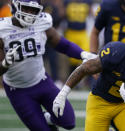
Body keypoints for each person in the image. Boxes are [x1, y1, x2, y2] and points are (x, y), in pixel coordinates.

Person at [53, 19, 125, 131]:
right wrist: (63, 94)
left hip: (124, 106)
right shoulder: (115, 52)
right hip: (100, 101)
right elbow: (84, 69)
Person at [0, 0, 96, 131]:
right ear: (16, 6)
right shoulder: (3, 29)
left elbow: (61, 44)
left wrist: (82, 54)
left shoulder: (41, 23)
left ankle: (46, 117)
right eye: (26, 9)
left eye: (33, 10)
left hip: (42, 81)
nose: (29, 14)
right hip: (18, 90)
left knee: (69, 122)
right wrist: (5, 63)